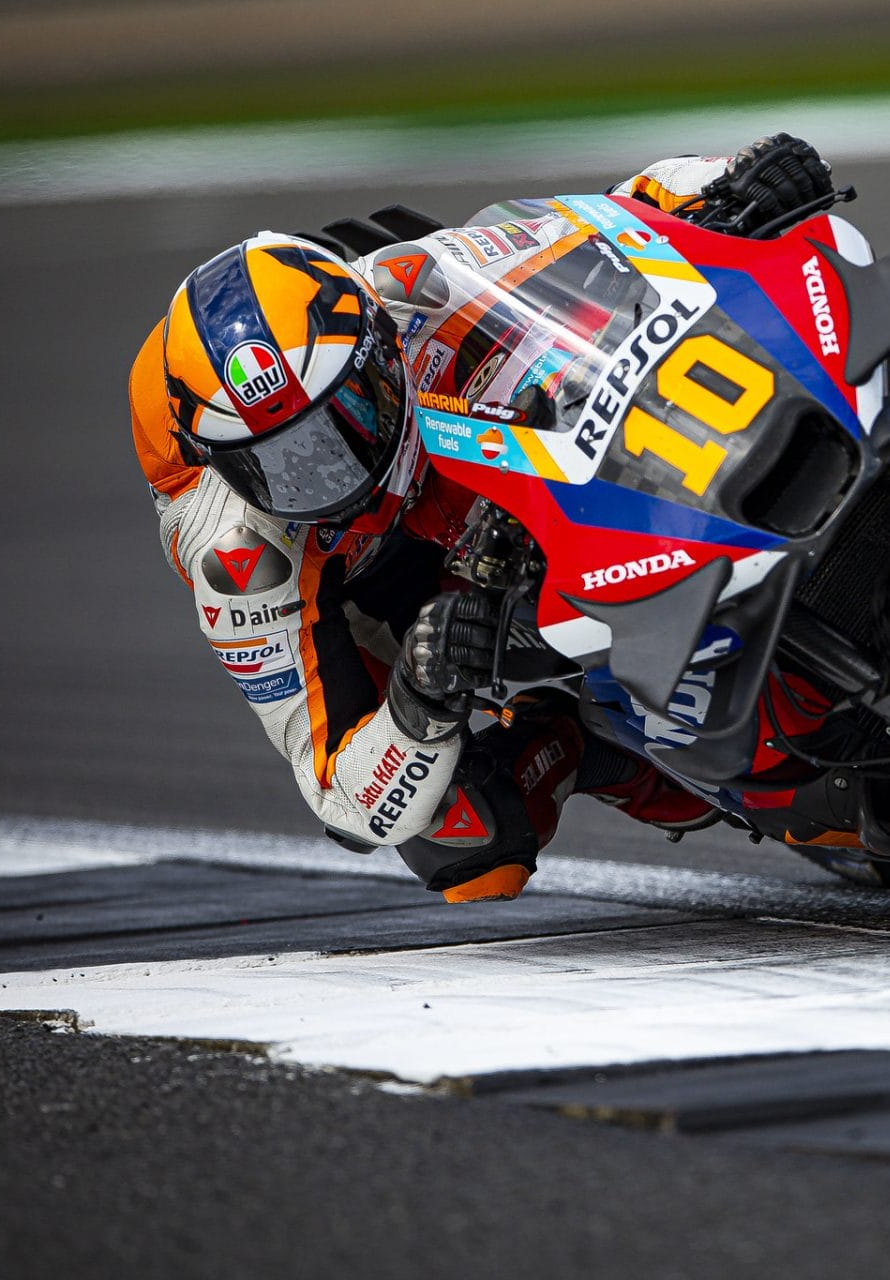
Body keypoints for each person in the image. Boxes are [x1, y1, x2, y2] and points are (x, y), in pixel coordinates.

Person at [128, 135, 837, 903]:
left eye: (345, 420)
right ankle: (591, 739)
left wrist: (731, 180)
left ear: (375, 350)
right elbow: (342, 799)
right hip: (374, 593)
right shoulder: (238, 553)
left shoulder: (400, 286)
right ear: (227, 463)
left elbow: (610, 219)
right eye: (282, 463)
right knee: (463, 838)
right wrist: (419, 696)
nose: (329, 473)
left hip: (444, 439)